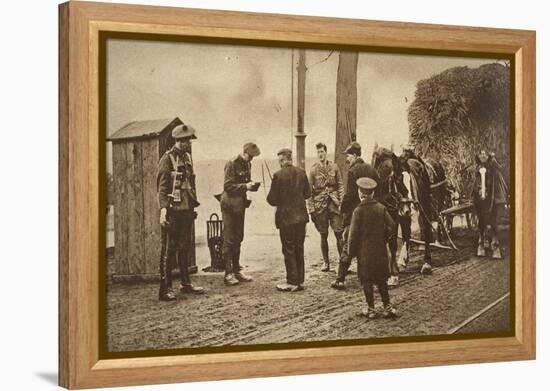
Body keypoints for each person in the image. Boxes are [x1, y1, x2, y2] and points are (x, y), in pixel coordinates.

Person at [157, 123, 204, 301]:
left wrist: (192, 206)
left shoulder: (188, 159)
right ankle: (165, 288)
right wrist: (163, 210)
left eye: (188, 141)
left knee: (184, 247)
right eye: (182, 141)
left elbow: (191, 184)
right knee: (169, 249)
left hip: (186, 210)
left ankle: (186, 284)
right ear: (176, 141)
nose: (186, 144)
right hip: (172, 211)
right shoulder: (167, 159)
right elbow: (161, 188)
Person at [331, 141, 380, 290]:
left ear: (354, 155)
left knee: (348, 244)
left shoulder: (353, 171)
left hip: (354, 214)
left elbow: (350, 195)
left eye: (349, 156)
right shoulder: (371, 169)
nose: (347, 159)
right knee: (369, 245)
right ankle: (374, 280)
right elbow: (378, 188)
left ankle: (340, 279)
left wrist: (342, 207)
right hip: (370, 212)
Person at [348, 177, 398, 319]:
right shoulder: (381, 208)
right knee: (382, 280)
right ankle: (387, 307)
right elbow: (393, 226)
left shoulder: (358, 211)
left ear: (360, 193)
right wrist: (385, 237)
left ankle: (371, 309)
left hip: (364, 255)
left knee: (367, 281)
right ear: (373, 193)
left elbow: (352, 236)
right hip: (380, 253)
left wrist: (351, 253)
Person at [267, 148, 311, 292]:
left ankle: (292, 282)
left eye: (279, 160)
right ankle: (299, 281)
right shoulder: (302, 172)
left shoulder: (277, 175)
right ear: (290, 159)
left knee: (288, 249)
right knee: (299, 247)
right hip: (301, 218)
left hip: (286, 219)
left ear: (282, 160)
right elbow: (307, 194)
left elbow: (272, 200)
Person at [220, 142, 261, 286]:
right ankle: (228, 273)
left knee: (239, 237)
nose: (251, 159)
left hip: (240, 205)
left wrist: (251, 185)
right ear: (244, 152)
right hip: (229, 205)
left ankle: (237, 270)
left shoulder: (248, 165)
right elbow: (227, 186)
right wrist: (245, 186)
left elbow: (245, 181)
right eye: (250, 156)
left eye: (253, 157)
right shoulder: (231, 163)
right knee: (229, 238)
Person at [307, 142, 344, 272]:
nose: (320, 154)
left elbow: (340, 185)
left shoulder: (334, 167)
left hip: (334, 204)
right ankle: (326, 262)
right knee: (323, 235)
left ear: (326, 152)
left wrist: (341, 201)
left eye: (322, 151)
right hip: (320, 205)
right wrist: (311, 209)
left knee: (339, 233)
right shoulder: (313, 170)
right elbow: (308, 193)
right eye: (318, 152)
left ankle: (343, 262)